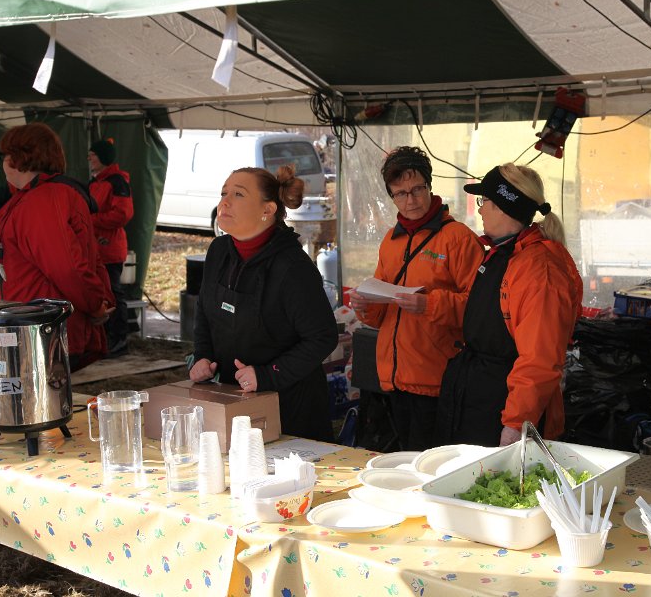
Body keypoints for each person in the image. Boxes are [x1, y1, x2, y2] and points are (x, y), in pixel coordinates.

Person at [435, 163, 583, 448]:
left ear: (504, 206)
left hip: (503, 410)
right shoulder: (504, 254)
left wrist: (515, 426)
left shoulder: (539, 270)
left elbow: (539, 360)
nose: (480, 210)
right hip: (475, 400)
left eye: (484, 201)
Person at [348, 146, 484, 451]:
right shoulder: (390, 240)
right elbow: (381, 316)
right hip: (394, 378)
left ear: (429, 186)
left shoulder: (458, 238)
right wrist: (365, 306)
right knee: (406, 463)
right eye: (400, 193)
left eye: (417, 189)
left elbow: (480, 309)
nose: (411, 200)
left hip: (438, 379)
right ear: (392, 196)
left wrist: (429, 304)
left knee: (433, 465)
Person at [190, 166, 338, 442]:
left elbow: (322, 337)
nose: (225, 202)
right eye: (223, 193)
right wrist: (202, 356)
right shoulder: (219, 251)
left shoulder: (292, 266)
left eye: (238, 194)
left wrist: (267, 375)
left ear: (267, 210)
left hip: (290, 411)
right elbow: (205, 311)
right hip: (232, 400)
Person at [0, 122, 114, 370]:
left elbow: (67, 268)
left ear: (18, 157)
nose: (3, 163)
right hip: (28, 327)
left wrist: (95, 305)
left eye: (4, 156)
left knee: (42, 394)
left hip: (39, 330)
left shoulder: (42, 200)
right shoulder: (31, 197)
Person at [88, 138, 134, 357]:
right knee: (101, 294)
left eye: (93, 155)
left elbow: (123, 214)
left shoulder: (116, 182)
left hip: (110, 248)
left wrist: (91, 220)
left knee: (114, 294)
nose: (89, 159)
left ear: (103, 158)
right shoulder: (95, 182)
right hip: (96, 248)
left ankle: (119, 340)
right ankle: (106, 340)